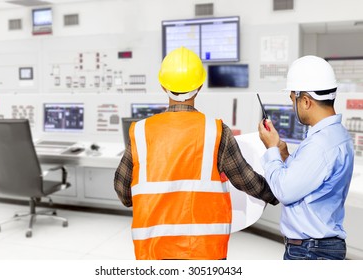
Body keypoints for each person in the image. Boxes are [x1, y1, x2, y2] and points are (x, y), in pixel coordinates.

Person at [114, 46, 278, 260]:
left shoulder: (141, 132)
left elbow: (123, 193)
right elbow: (247, 181)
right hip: (204, 251)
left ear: (163, 86)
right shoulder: (217, 132)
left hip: (154, 251)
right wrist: (277, 192)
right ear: (200, 86)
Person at [258, 55, 354, 260]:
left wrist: (271, 149)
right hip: (319, 248)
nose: (293, 106)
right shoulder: (336, 135)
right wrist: (284, 153)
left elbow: (284, 190)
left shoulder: (320, 145)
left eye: (293, 99)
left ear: (306, 101)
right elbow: (309, 178)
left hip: (309, 251)